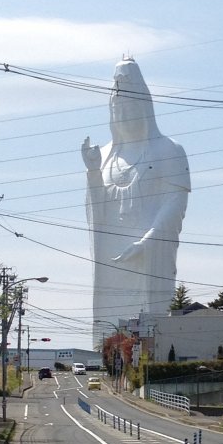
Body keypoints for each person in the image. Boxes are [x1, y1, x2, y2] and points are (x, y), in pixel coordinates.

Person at [82, 57, 190, 341]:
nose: (124, 114)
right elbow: (97, 211)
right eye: (118, 107)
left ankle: (147, 350)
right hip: (112, 257)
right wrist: (93, 173)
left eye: (130, 106)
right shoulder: (104, 154)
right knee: (110, 320)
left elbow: (175, 202)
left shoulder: (168, 149)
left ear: (145, 107)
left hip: (148, 253)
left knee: (149, 315)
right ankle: (106, 349)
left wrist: (148, 241)